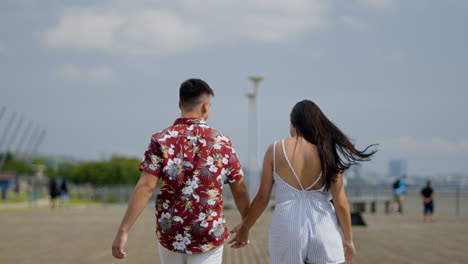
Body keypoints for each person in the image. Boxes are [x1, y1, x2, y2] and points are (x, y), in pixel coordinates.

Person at [112, 79, 250, 264]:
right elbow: (239, 190)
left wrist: (123, 230)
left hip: (171, 231)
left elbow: (145, 187)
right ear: (205, 107)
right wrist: (246, 226)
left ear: (179, 104)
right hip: (208, 233)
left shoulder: (161, 140)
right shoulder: (222, 142)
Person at [229, 100, 377, 264]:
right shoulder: (328, 153)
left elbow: (263, 198)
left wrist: (245, 227)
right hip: (323, 229)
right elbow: (341, 203)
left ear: (293, 123)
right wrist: (348, 239)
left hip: (287, 229)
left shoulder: (276, 149)